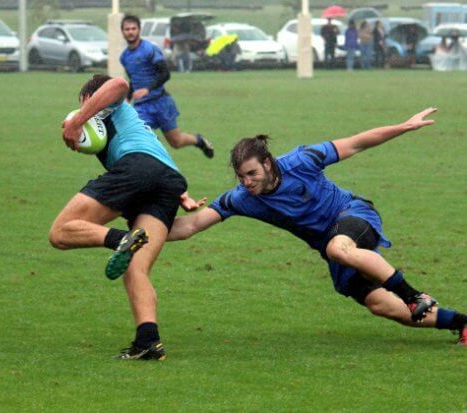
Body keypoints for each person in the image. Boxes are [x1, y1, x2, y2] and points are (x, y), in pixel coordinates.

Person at [167, 108, 466, 347]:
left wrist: (403, 127)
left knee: (339, 247)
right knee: (382, 306)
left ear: (268, 164)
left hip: (355, 215)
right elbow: (191, 225)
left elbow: (357, 142)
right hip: (334, 248)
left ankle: (415, 296)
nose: (247, 182)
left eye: (252, 173)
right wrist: (143, 232)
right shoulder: (242, 199)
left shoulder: (302, 160)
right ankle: (461, 323)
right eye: (241, 176)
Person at [51, 74, 204, 360]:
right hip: (165, 182)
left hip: (137, 168)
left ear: (90, 98)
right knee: (136, 267)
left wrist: (76, 120)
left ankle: (123, 238)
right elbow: (160, 164)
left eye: (85, 105)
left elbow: (119, 83)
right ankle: (148, 342)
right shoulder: (134, 127)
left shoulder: (112, 103)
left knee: (60, 232)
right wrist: (182, 195)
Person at [119, 15, 214, 159]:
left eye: (133, 28)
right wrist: (127, 97)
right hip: (142, 107)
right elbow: (134, 79)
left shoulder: (149, 49)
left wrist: (147, 89)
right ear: (122, 32)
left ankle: (199, 141)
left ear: (139, 30)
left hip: (161, 102)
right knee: (139, 138)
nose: (130, 32)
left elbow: (165, 74)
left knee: (176, 141)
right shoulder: (124, 57)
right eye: (127, 29)